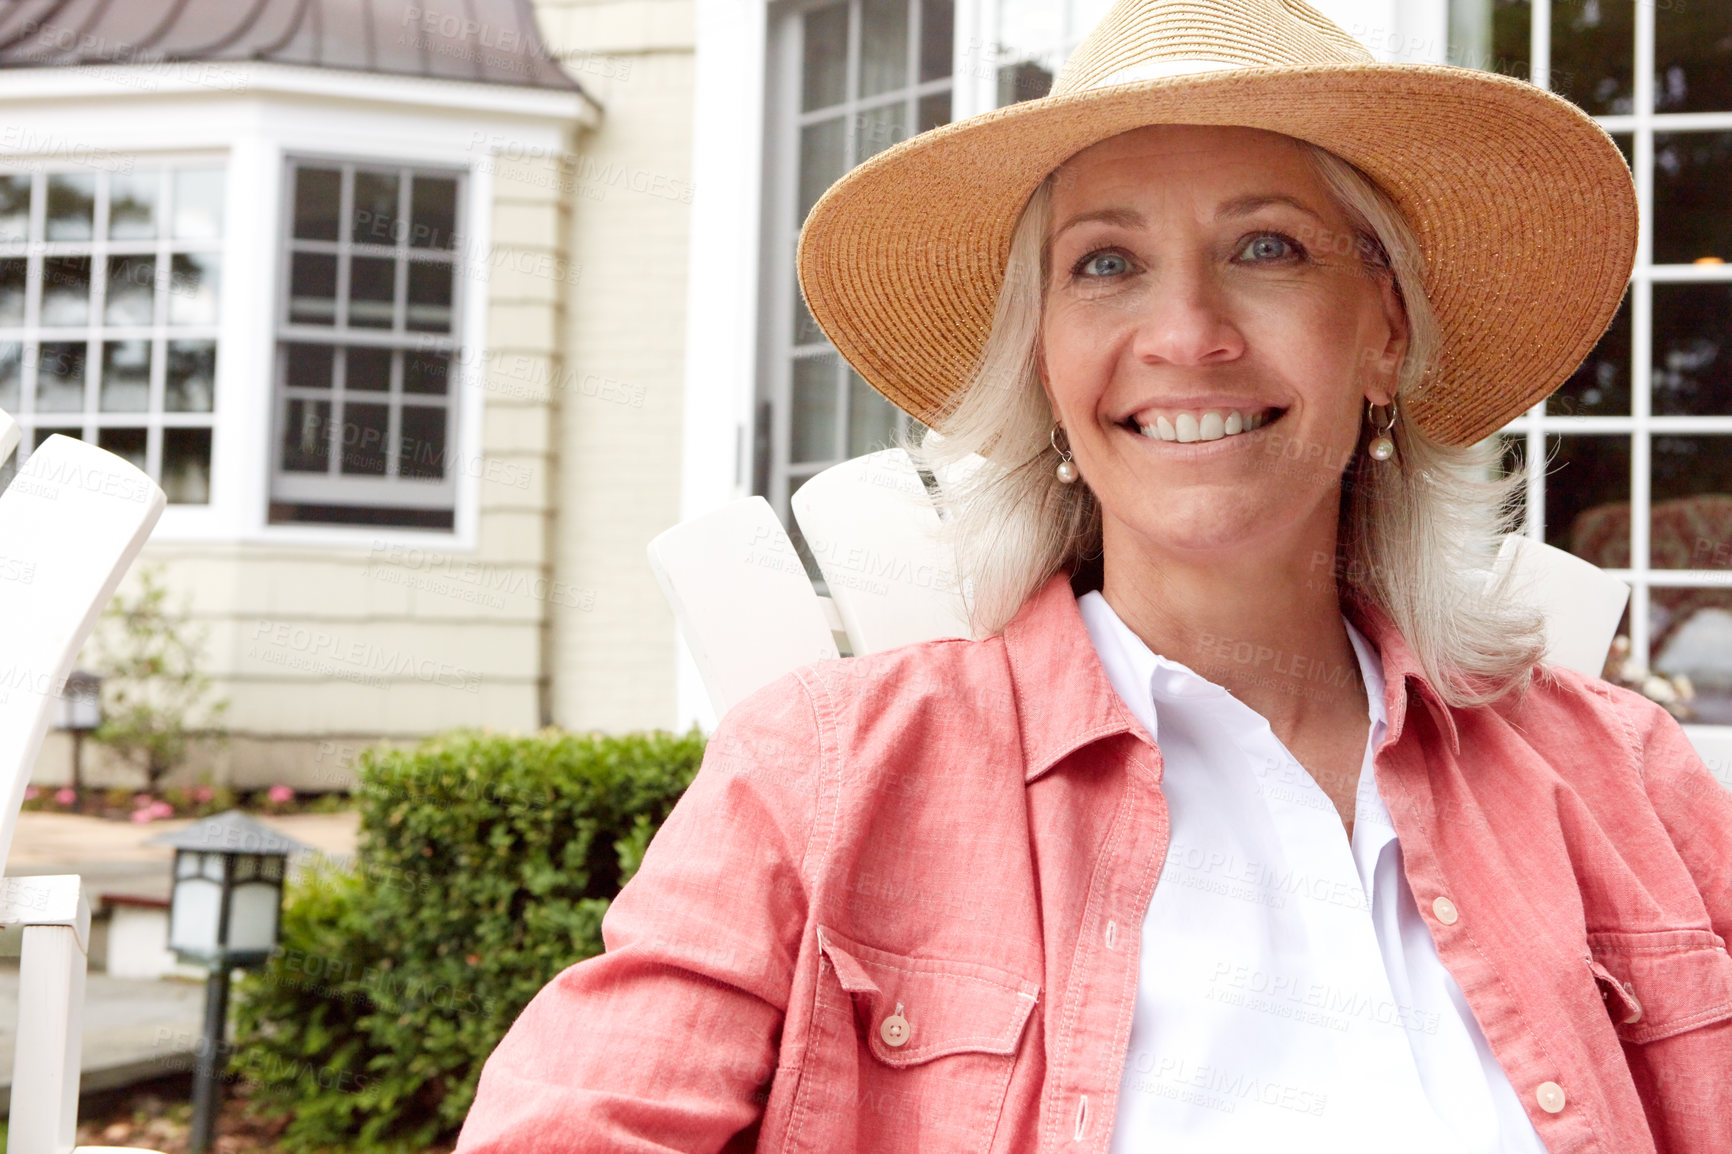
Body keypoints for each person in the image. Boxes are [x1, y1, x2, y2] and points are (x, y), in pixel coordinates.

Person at [456, 1, 1732, 1151]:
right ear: (1047, 364)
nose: (1185, 333)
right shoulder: (826, 777)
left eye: (1270, 248)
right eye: (1105, 264)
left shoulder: (1623, 782)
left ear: (1384, 335)